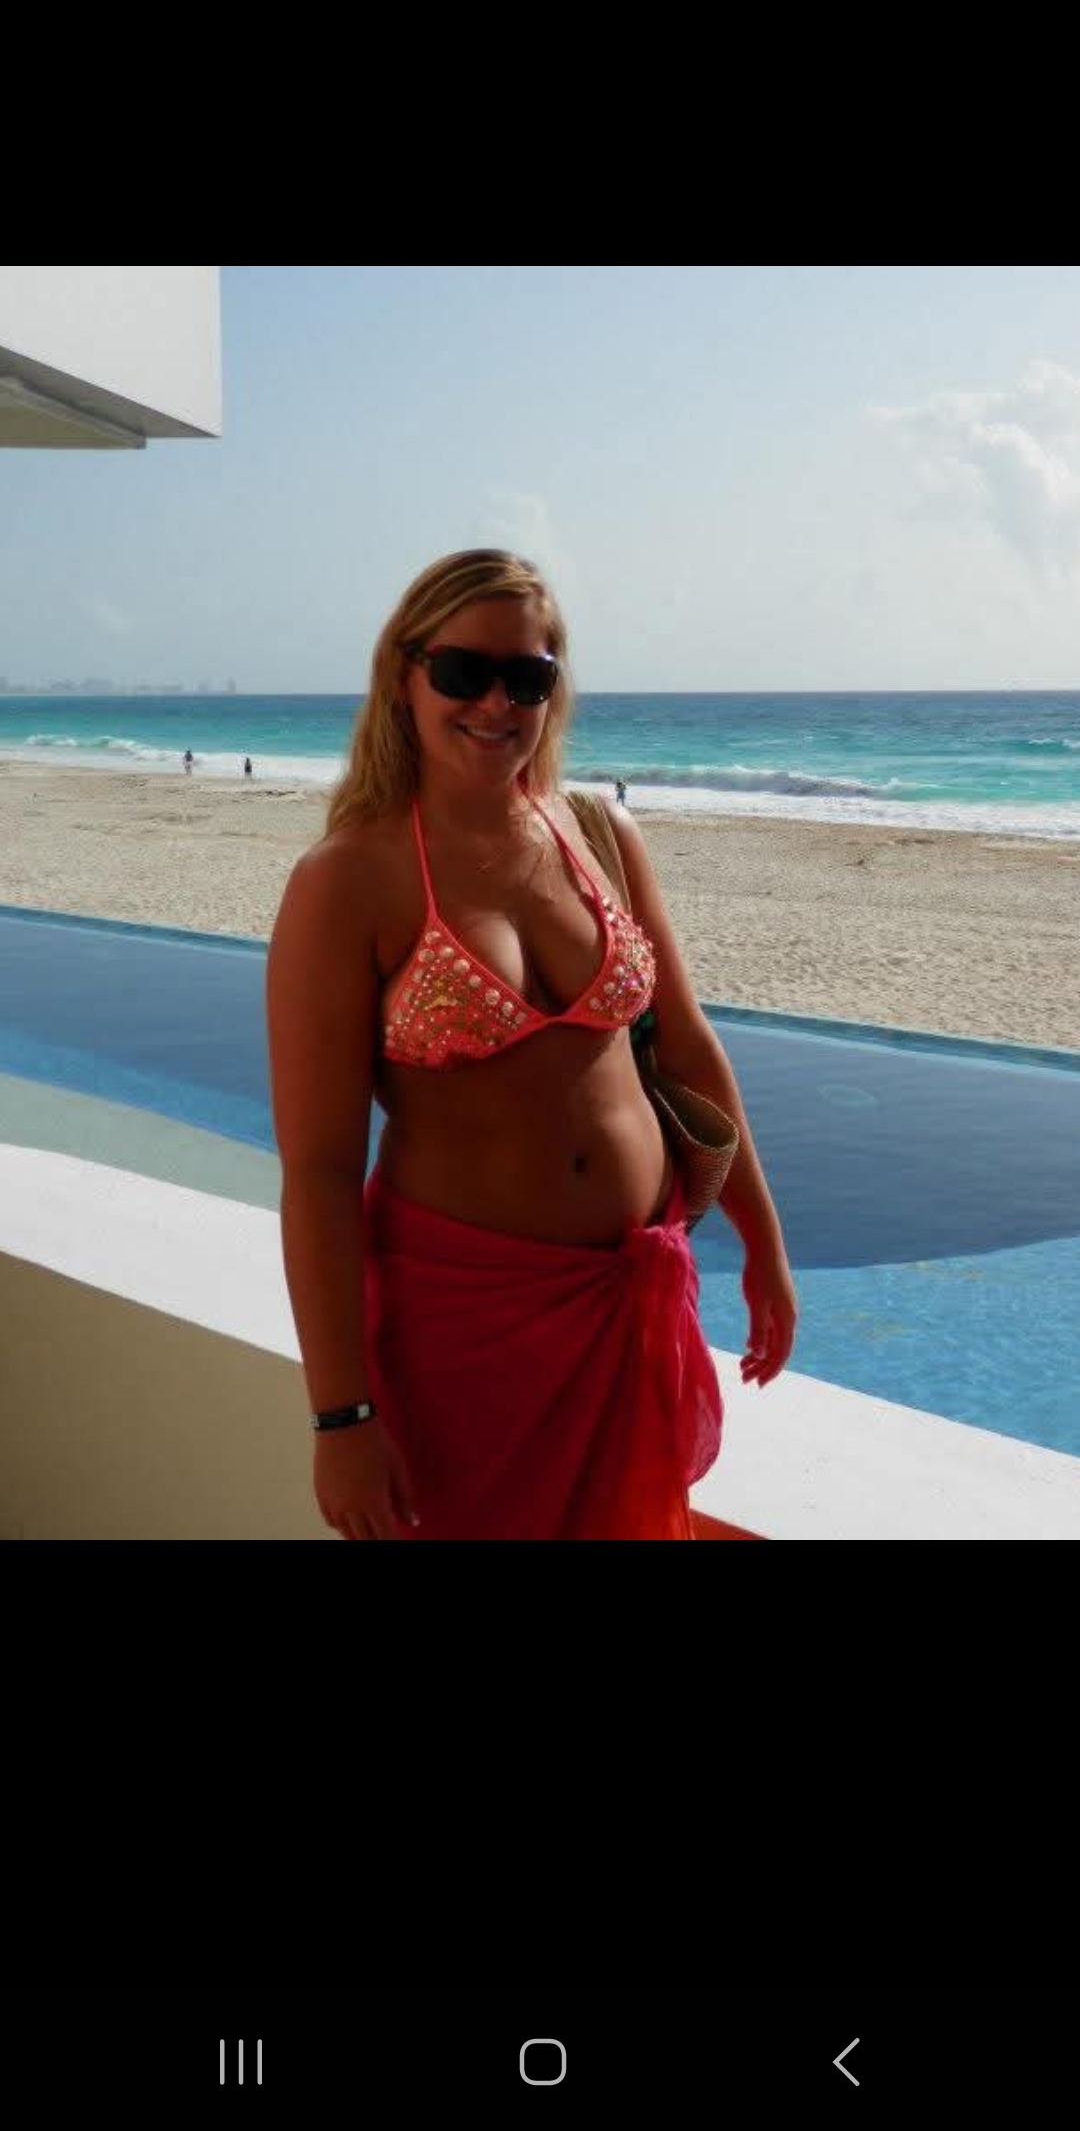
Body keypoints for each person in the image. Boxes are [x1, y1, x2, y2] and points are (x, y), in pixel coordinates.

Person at [266, 549, 797, 1542]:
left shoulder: (599, 832)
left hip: (630, 1299)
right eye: (464, 672)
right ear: (404, 677)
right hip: (463, 1330)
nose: (496, 703)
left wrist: (762, 1244)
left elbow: (685, 1046)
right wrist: (341, 1416)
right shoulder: (349, 880)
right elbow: (321, 1171)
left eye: (529, 676)